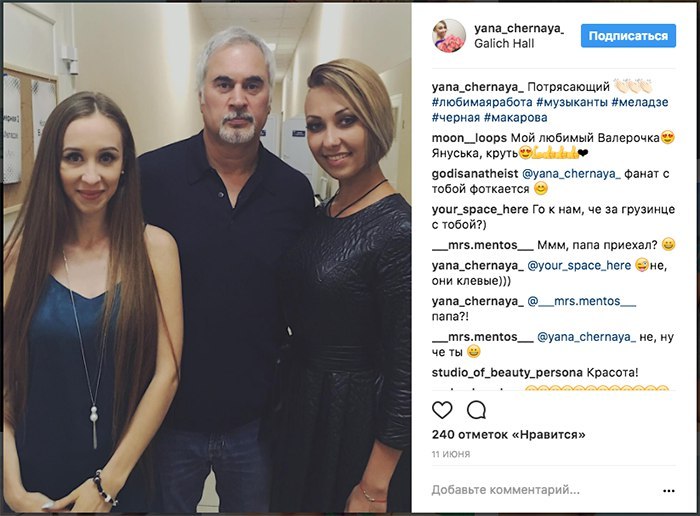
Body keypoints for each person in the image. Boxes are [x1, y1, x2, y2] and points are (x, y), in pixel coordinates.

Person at [139, 26, 315, 512]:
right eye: (223, 84)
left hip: (255, 426)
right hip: (166, 420)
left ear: (269, 101)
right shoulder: (151, 178)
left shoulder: (294, 192)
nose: (238, 99)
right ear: (202, 96)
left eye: (252, 85)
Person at [3, 91, 183, 513]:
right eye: (73, 158)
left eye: (106, 158)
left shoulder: (155, 249)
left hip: (125, 478)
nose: (91, 176)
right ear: (53, 164)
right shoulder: (17, 256)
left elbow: (167, 374)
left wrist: (107, 485)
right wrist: (13, 490)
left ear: (124, 166)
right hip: (34, 485)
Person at [271, 58, 411, 513]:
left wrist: (374, 486)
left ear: (376, 122)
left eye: (346, 121)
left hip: (355, 424)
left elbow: (408, 372)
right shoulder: (325, 212)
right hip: (306, 405)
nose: (328, 140)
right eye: (316, 125)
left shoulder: (399, 230)